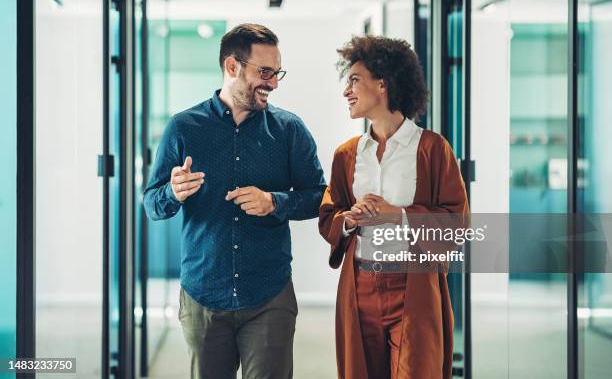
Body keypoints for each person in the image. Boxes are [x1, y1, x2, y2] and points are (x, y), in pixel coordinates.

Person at [144, 23, 326, 379]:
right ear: (232, 67)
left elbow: (320, 197)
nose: (273, 83)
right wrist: (172, 192)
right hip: (203, 295)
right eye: (265, 72)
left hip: (269, 295)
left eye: (277, 73)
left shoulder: (290, 130)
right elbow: (152, 203)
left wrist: (275, 202)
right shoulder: (183, 128)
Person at [319, 35, 469, 379]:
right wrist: (349, 219)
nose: (347, 91)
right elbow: (329, 215)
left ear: (383, 84)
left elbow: (458, 222)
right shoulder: (346, 155)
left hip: (413, 287)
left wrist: (397, 215)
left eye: (355, 80)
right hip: (360, 287)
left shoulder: (433, 149)